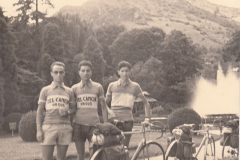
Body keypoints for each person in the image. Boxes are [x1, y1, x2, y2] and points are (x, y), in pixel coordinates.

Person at [106, 60, 150, 147]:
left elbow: (146, 103)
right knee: (111, 148)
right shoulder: (112, 85)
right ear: (118, 72)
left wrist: (147, 119)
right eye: (122, 71)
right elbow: (104, 104)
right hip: (113, 120)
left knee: (124, 147)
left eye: (127, 71)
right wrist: (109, 111)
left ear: (129, 72)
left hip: (128, 120)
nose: (125, 73)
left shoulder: (135, 86)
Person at [36, 61, 75, 160]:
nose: (58, 74)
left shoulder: (69, 91)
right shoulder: (45, 90)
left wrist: (67, 112)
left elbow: (74, 109)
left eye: (61, 72)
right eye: (56, 72)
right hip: (49, 126)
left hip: (65, 127)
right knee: (47, 158)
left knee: (61, 158)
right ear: (51, 74)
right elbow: (39, 112)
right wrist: (39, 130)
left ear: (64, 73)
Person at [71, 60, 108, 160]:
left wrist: (106, 125)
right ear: (79, 72)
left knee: (96, 155)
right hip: (78, 125)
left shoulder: (98, 87)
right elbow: (72, 109)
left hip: (94, 125)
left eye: (88, 71)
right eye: (83, 71)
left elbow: (103, 107)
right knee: (80, 155)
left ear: (91, 72)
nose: (85, 73)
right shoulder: (74, 89)